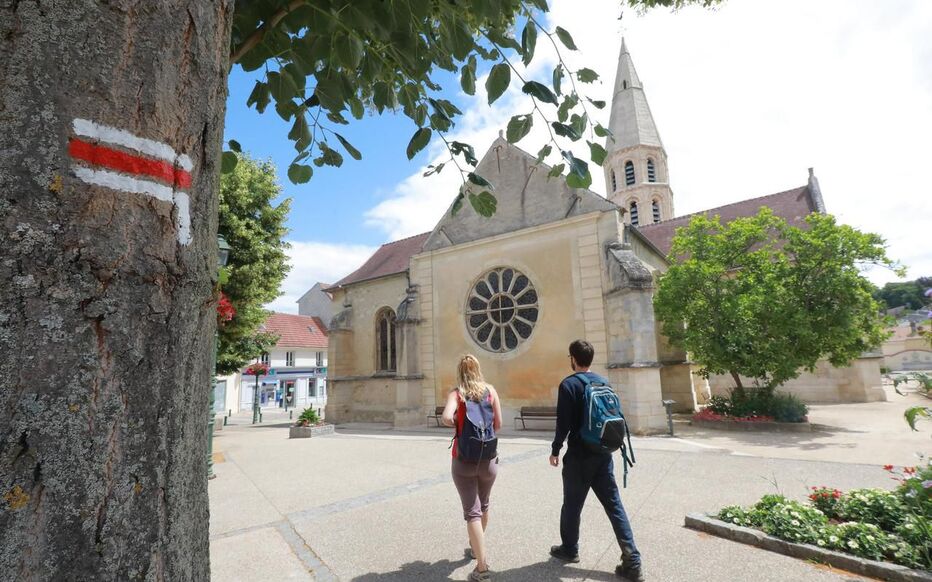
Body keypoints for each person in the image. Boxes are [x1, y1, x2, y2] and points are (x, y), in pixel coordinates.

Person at [549, 340, 644, 582]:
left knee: (572, 505)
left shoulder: (569, 385)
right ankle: (633, 560)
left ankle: (570, 549)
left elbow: (563, 424)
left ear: (573, 358)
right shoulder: (603, 382)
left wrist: (555, 449)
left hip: (580, 456)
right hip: (603, 454)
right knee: (614, 506)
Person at [442, 354, 502, 582]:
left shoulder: (457, 393)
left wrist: (459, 421)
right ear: (478, 369)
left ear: (459, 372)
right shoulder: (491, 391)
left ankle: (482, 568)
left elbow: (446, 418)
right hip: (488, 459)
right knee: (483, 505)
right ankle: (477, 549)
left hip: (464, 460)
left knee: (472, 513)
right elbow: (498, 425)